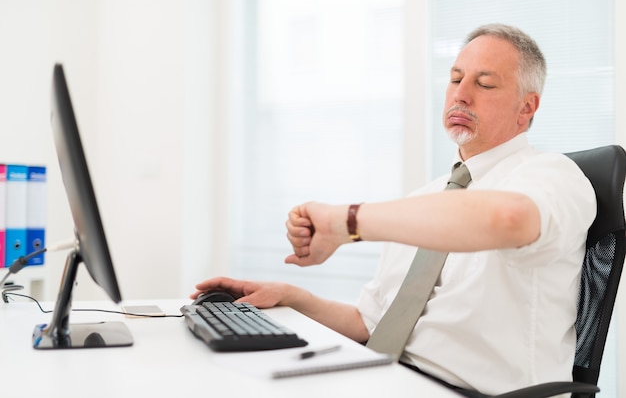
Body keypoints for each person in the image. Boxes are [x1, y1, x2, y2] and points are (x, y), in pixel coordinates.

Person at [191, 24, 596, 396]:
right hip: (389, 378)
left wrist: (345, 222)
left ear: (527, 108)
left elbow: (507, 219)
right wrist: (293, 298)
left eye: (484, 83)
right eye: (455, 79)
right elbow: (371, 324)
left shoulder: (552, 175)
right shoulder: (428, 199)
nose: (460, 94)